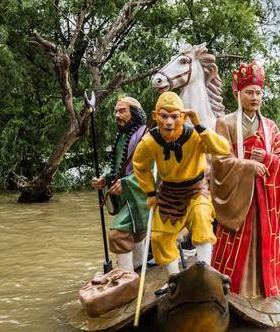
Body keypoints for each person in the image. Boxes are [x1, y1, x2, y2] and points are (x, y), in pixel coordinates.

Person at [132, 92, 230, 291]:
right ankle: (174, 280)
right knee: (159, 237)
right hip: (169, 191)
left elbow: (222, 148)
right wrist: (150, 193)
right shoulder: (150, 142)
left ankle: (205, 273)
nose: (169, 122)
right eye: (164, 116)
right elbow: (140, 166)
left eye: (174, 116)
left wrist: (199, 124)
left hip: (195, 189)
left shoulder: (195, 135)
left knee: (202, 218)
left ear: (183, 117)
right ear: (154, 116)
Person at [211, 61, 280, 298]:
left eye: (258, 92)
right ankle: (231, 290)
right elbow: (220, 160)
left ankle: (263, 291)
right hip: (239, 198)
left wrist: (268, 158)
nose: (254, 97)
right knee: (233, 244)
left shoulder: (270, 127)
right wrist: (248, 165)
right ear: (238, 94)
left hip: (264, 200)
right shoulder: (224, 123)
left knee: (263, 243)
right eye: (249, 92)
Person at [91, 96, 149, 271]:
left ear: (134, 112)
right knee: (136, 233)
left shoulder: (146, 136)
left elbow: (153, 170)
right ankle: (138, 265)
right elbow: (119, 168)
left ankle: (125, 275)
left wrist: (126, 183)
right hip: (127, 194)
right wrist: (105, 178)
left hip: (141, 194)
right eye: (116, 111)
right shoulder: (121, 137)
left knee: (118, 234)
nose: (117, 114)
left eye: (122, 110)